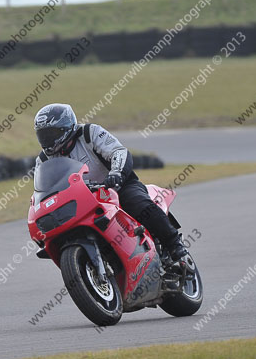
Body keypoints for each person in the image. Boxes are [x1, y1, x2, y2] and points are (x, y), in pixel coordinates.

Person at [33, 103, 189, 270]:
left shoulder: (89, 133)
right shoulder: (43, 160)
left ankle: (176, 247)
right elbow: (43, 190)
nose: (47, 140)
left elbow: (118, 151)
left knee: (139, 205)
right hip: (82, 201)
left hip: (116, 186)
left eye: (52, 133)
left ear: (66, 127)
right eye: (43, 135)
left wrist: (116, 173)